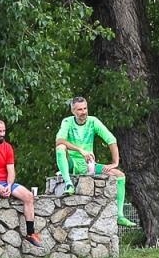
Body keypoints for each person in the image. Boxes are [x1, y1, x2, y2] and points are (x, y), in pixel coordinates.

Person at [54, 96, 136, 228]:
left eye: (85, 108)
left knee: (120, 175)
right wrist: (80, 150)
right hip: (71, 163)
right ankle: (69, 184)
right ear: (73, 111)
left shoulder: (93, 121)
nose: (83, 112)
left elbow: (111, 139)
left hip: (88, 165)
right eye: (79, 109)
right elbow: (59, 140)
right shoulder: (67, 122)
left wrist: (115, 162)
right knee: (60, 148)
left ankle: (120, 216)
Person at [0, 119, 41, 247]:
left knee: (28, 196)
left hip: (5, 182)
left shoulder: (8, 147)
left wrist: (9, 185)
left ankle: (30, 233)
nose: (2, 134)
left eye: (3, 131)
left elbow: (11, 171)